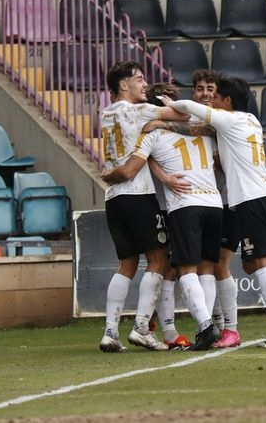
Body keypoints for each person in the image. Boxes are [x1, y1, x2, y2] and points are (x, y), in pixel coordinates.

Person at [155, 76, 266, 348]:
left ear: (227, 100)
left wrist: (167, 105)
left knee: (260, 265)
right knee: (255, 264)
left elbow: (191, 107)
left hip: (250, 200)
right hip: (264, 196)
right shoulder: (251, 120)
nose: (211, 99)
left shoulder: (229, 119)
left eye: (216, 96)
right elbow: (200, 128)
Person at [106, 82, 223, 351]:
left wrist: (109, 174)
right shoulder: (202, 130)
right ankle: (177, 328)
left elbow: (132, 167)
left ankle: (196, 327)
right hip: (211, 202)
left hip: (180, 205)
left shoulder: (150, 133)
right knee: (194, 267)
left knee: (175, 268)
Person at [97, 61, 190, 353]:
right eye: (139, 79)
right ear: (123, 85)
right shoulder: (138, 110)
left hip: (114, 197)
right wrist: (167, 106)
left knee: (126, 263)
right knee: (159, 261)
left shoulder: (106, 114)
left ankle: (110, 332)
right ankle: (141, 328)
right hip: (139, 194)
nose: (145, 85)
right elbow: (183, 115)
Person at [190, 69, 242, 348]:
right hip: (203, 201)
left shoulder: (224, 121)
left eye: (211, 88)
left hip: (227, 200)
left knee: (221, 264)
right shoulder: (193, 120)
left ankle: (229, 328)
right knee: (204, 265)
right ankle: (217, 325)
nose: (206, 93)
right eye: (200, 88)